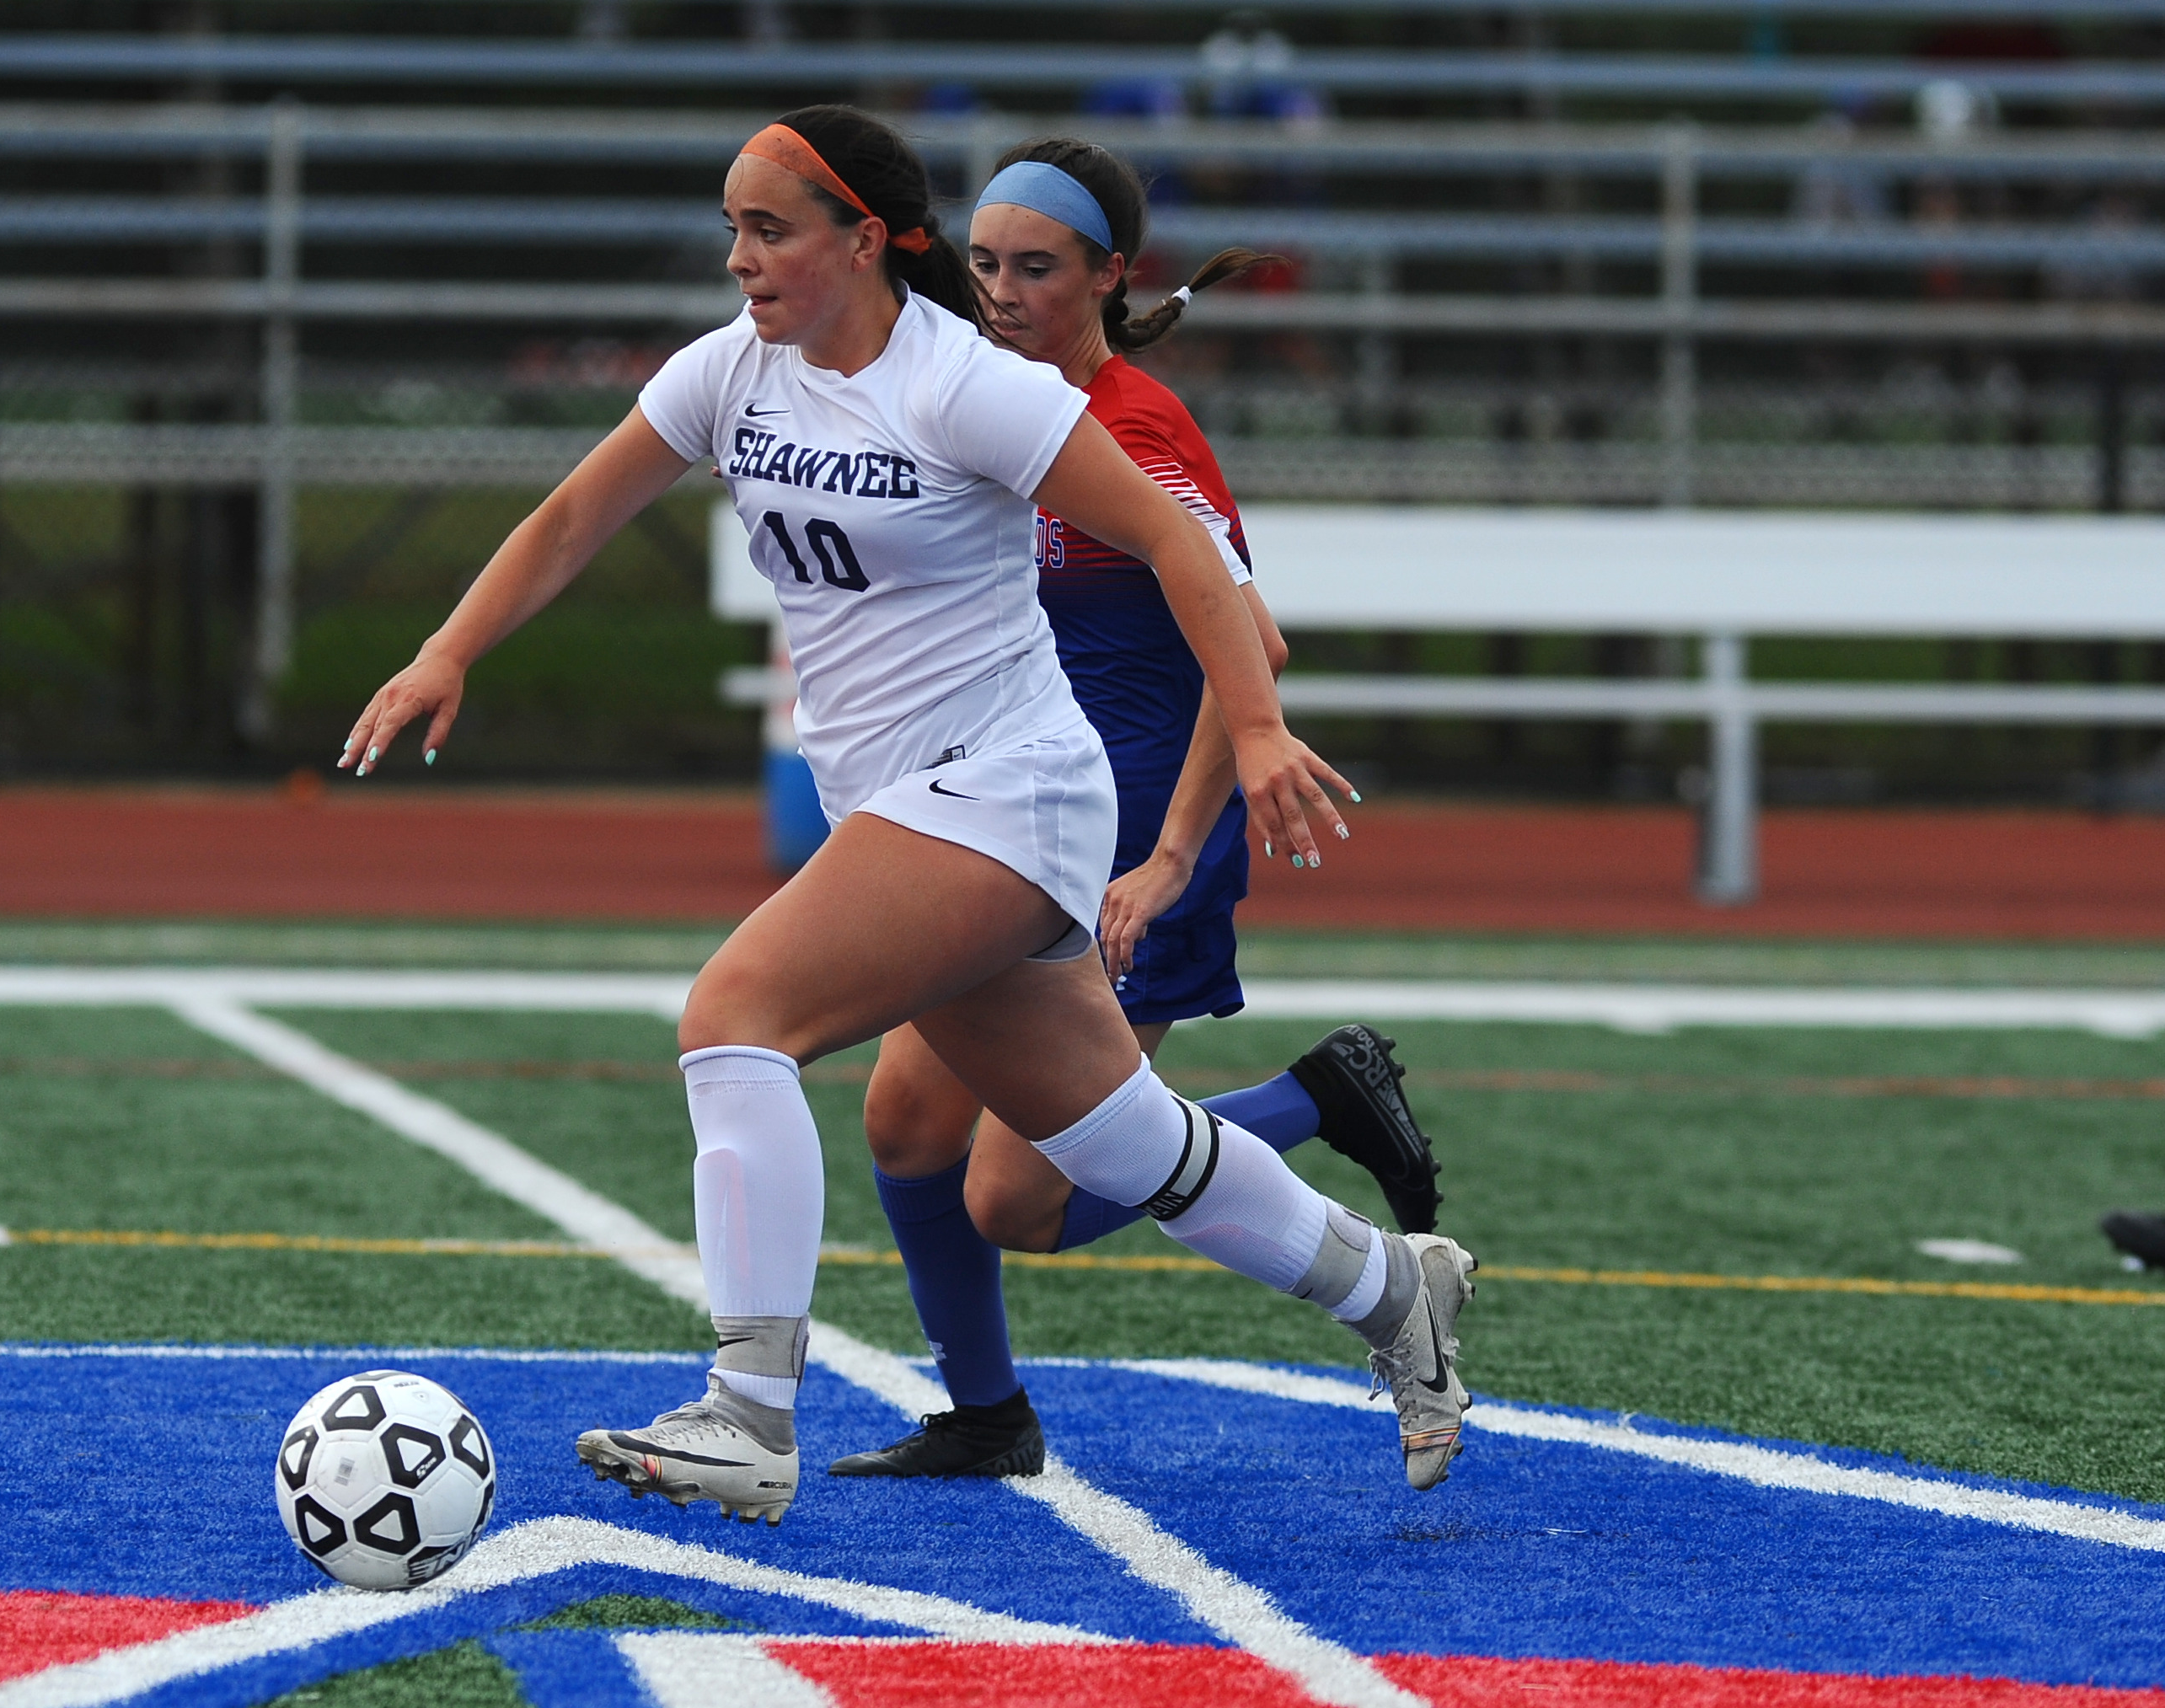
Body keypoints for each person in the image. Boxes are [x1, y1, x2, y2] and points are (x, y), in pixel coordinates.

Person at [340, 105, 1478, 1525]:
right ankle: (1395, 1287)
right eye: (731, 231)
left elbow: (1184, 546)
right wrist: (451, 648)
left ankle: (749, 1410)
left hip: (1012, 788)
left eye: (771, 229)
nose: (742, 259)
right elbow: (572, 516)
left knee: (735, 1009)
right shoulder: (729, 375)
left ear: (864, 240)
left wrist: (1253, 733)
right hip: (907, 798)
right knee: (1117, 1148)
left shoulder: (965, 388)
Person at [829, 138, 1443, 1483]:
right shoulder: (979, 393)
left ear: (1112, 275)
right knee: (906, 1126)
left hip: (1133, 840)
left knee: (1018, 1198)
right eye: (985, 263)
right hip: (1014, 820)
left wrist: (1169, 856)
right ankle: (987, 1418)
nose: (1001, 291)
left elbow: (1251, 644)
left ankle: (1310, 1099)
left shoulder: (1137, 427)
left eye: (1037, 268)